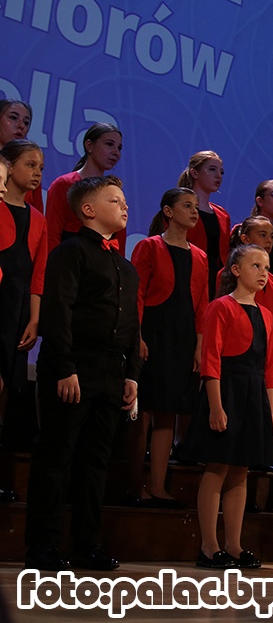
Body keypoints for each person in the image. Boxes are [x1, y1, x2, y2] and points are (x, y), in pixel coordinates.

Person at [25, 175, 140, 571]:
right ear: (88, 209)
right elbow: (58, 311)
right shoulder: (70, 252)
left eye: (124, 201)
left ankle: (87, 544)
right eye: (114, 200)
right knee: (56, 457)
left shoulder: (125, 266)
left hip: (111, 371)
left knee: (96, 461)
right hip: (74, 366)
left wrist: (132, 374)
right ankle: (43, 544)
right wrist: (65, 366)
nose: (125, 206)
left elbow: (132, 325)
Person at [182, 244, 273, 570]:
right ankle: (209, 546)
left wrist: (269, 411)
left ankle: (233, 546)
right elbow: (211, 360)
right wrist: (215, 406)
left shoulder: (266, 314)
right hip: (226, 392)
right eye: (256, 266)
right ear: (236, 270)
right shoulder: (221, 307)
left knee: (241, 470)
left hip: (253, 395)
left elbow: (269, 368)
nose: (263, 273)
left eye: (266, 268)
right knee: (217, 467)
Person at [128, 188, 209, 508]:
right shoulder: (149, 246)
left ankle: (158, 486)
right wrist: (137, 336)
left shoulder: (200, 256)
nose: (194, 211)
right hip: (153, 333)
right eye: (187, 206)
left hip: (182, 337)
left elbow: (202, 305)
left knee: (168, 412)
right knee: (144, 410)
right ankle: (135, 485)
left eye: (195, 206)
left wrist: (199, 345)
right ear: (168, 211)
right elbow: (136, 295)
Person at [0, 142, 47, 487]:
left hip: (17, 309)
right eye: (30, 165)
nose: (37, 173)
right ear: (9, 165)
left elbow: (38, 274)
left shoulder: (37, 219)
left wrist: (34, 318)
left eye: (40, 167)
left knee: (6, 387)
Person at [45, 124, 126, 253]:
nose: (116, 152)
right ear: (89, 146)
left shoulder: (114, 191)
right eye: (109, 144)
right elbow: (52, 234)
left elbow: (119, 239)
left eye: (119, 148)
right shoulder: (64, 184)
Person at [178, 151, 229, 301]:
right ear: (194, 173)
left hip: (215, 285)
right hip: (186, 279)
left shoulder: (222, 215)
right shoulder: (179, 209)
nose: (218, 176)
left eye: (221, 171)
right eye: (212, 169)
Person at [0, 101, 37, 211]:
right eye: (13, 118)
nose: (21, 126)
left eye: (26, 123)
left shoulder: (31, 169)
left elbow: (36, 213)